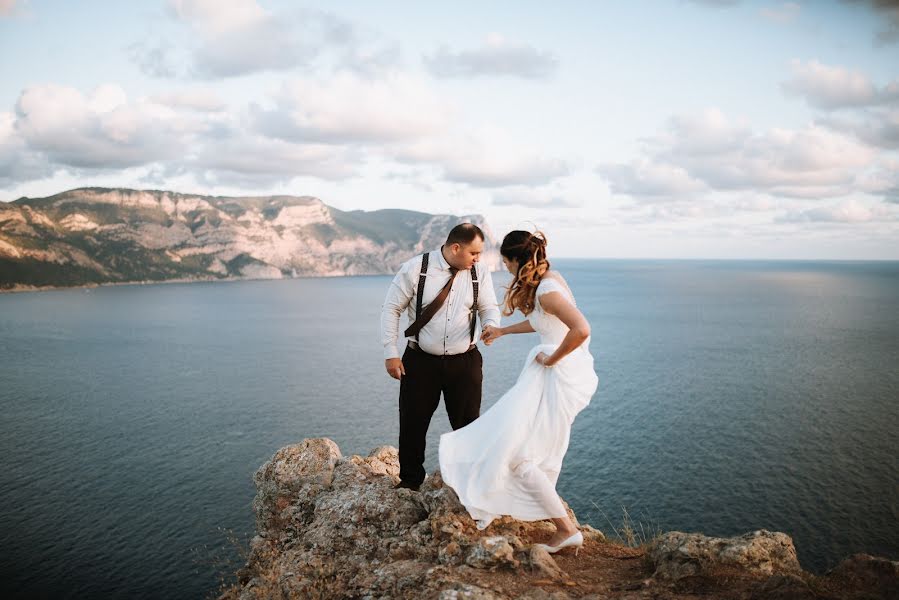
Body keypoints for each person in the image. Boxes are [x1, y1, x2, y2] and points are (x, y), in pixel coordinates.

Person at [438, 230, 598, 555]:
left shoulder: (548, 291)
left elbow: (581, 330)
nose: (506, 268)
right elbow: (544, 322)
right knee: (520, 448)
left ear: (517, 260)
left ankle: (566, 530)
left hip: (556, 375)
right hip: (551, 373)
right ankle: (562, 527)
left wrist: (551, 359)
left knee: (521, 455)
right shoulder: (549, 281)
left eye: (507, 262)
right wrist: (503, 330)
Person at [380, 223, 501, 491]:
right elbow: (391, 309)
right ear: (456, 248)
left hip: (465, 362)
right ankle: (410, 481)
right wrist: (390, 352)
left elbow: (488, 306)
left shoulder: (480, 271)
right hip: (420, 362)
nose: (478, 258)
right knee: (412, 423)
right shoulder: (416, 268)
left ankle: (469, 483)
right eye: (474, 253)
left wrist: (491, 323)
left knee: (468, 425)